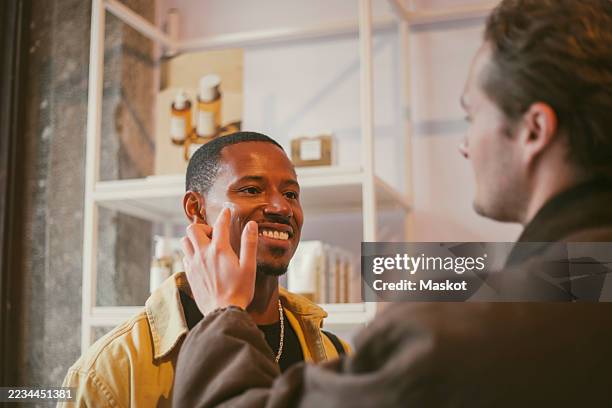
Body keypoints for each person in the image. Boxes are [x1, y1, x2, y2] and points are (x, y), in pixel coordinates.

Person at [172, 0, 612, 406]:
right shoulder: (586, 278)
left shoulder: (450, 336)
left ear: (533, 130)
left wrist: (224, 314)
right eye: (251, 189)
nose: (464, 145)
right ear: (195, 209)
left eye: (471, 116)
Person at [60, 132, 349, 407]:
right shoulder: (108, 372)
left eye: (290, 194)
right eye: (251, 189)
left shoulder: (335, 354)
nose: (281, 208)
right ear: (196, 209)